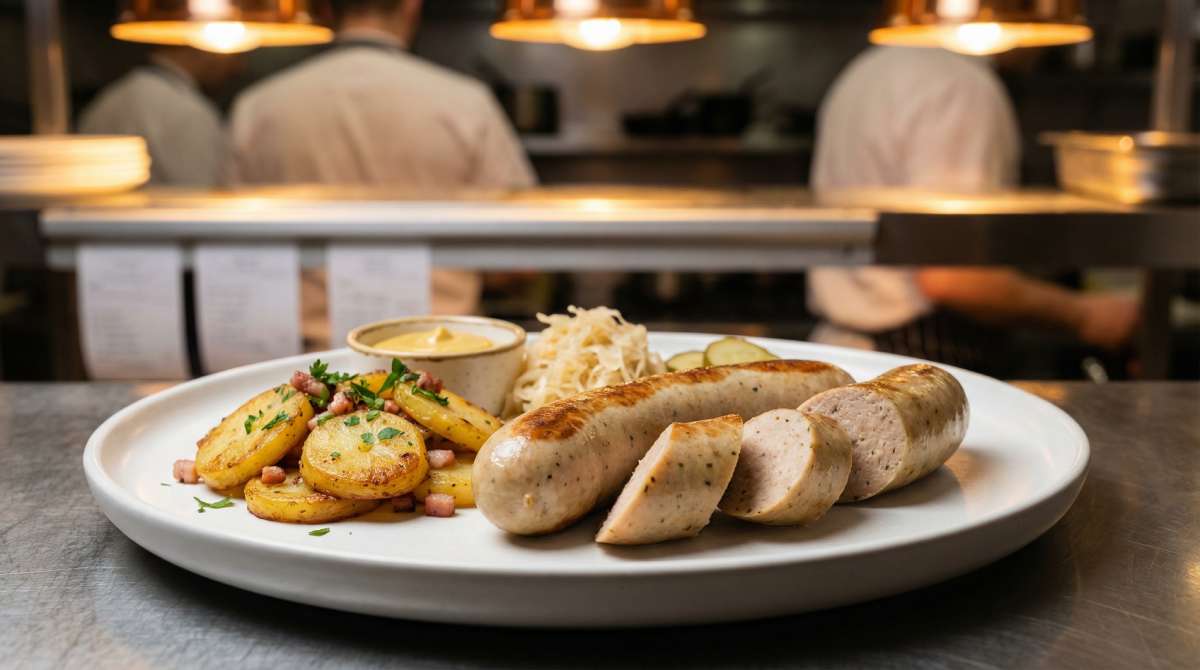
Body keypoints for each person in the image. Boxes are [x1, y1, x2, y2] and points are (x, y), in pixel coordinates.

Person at [808, 46, 1138, 373]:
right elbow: (954, 278)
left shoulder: (868, 68)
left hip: (845, 349)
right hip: (914, 367)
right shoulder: (961, 87)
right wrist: (1087, 315)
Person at [228, 0, 535, 346]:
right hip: (444, 350)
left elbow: (237, 251)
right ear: (411, 8)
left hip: (306, 356)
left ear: (325, 11)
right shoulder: (466, 101)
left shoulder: (257, 106)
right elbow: (519, 260)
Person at [79, 47, 241, 187]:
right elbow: (206, 199)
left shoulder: (105, 102)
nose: (236, 68)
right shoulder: (188, 111)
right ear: (202, 49)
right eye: (235, 55)